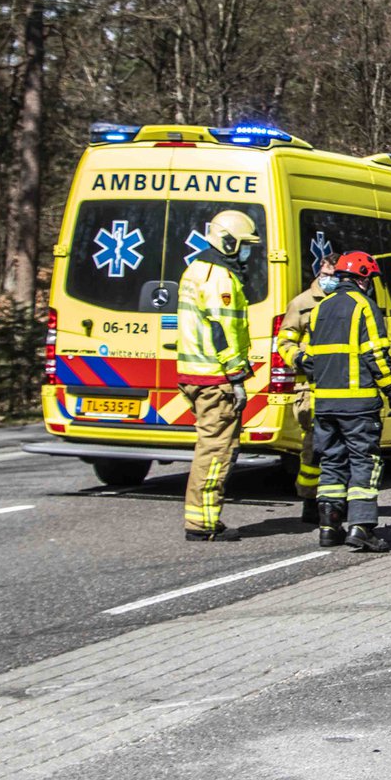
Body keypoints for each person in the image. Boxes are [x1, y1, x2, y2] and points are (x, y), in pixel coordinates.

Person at [300, 250, 391, 551]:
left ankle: (329, 527)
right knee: (363, 462)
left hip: (326, 404)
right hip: (359, 405)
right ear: (363, 278)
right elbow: (376, 355)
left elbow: (307, 358)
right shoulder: (364, 307)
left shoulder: (321, 308)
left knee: (331, 462)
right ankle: (361, 527)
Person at [176, 210, 260, 541]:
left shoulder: (195, 270)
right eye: (244, 244)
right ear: (228, 241)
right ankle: (202, 524)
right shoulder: (219, 278)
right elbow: (222, 331)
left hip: (196, 374)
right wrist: (236, 376)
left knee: (214, 447)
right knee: (216, 452)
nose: (247, 251)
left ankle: (206, 519)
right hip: (216, 378)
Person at [274, 253, 338, 523]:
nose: (329, 280)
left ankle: (334, 503)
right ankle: (309, 500)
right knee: (313, 448)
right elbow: (284, 342)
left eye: (334, 275)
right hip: (309, 388)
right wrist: (299, 359)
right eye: (326, 274)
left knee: (339, 448)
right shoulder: (301, 304)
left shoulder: (344, 301)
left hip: (340, 385)